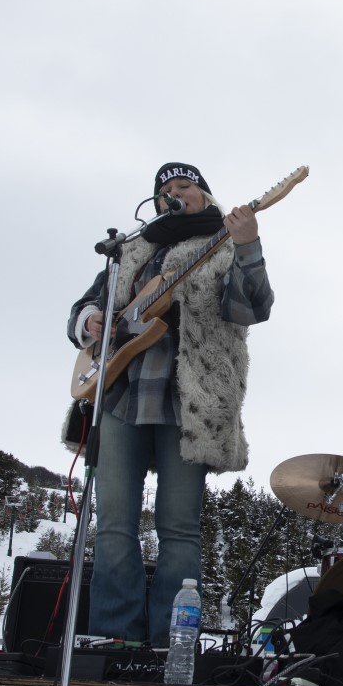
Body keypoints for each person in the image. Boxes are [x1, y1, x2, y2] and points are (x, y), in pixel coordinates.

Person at [67, 162, 274, 649]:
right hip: (120, 395)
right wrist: (93, 320)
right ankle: (113, 640)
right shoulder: (131, 250)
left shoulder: (221, 245)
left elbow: (252, 307)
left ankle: (169, 642)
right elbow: (82, 309)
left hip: (189, 402)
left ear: (204, 195)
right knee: (114, 525)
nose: (174, 194)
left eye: (186, 187)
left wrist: (248, 245)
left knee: (179, 529)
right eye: (165, 190)